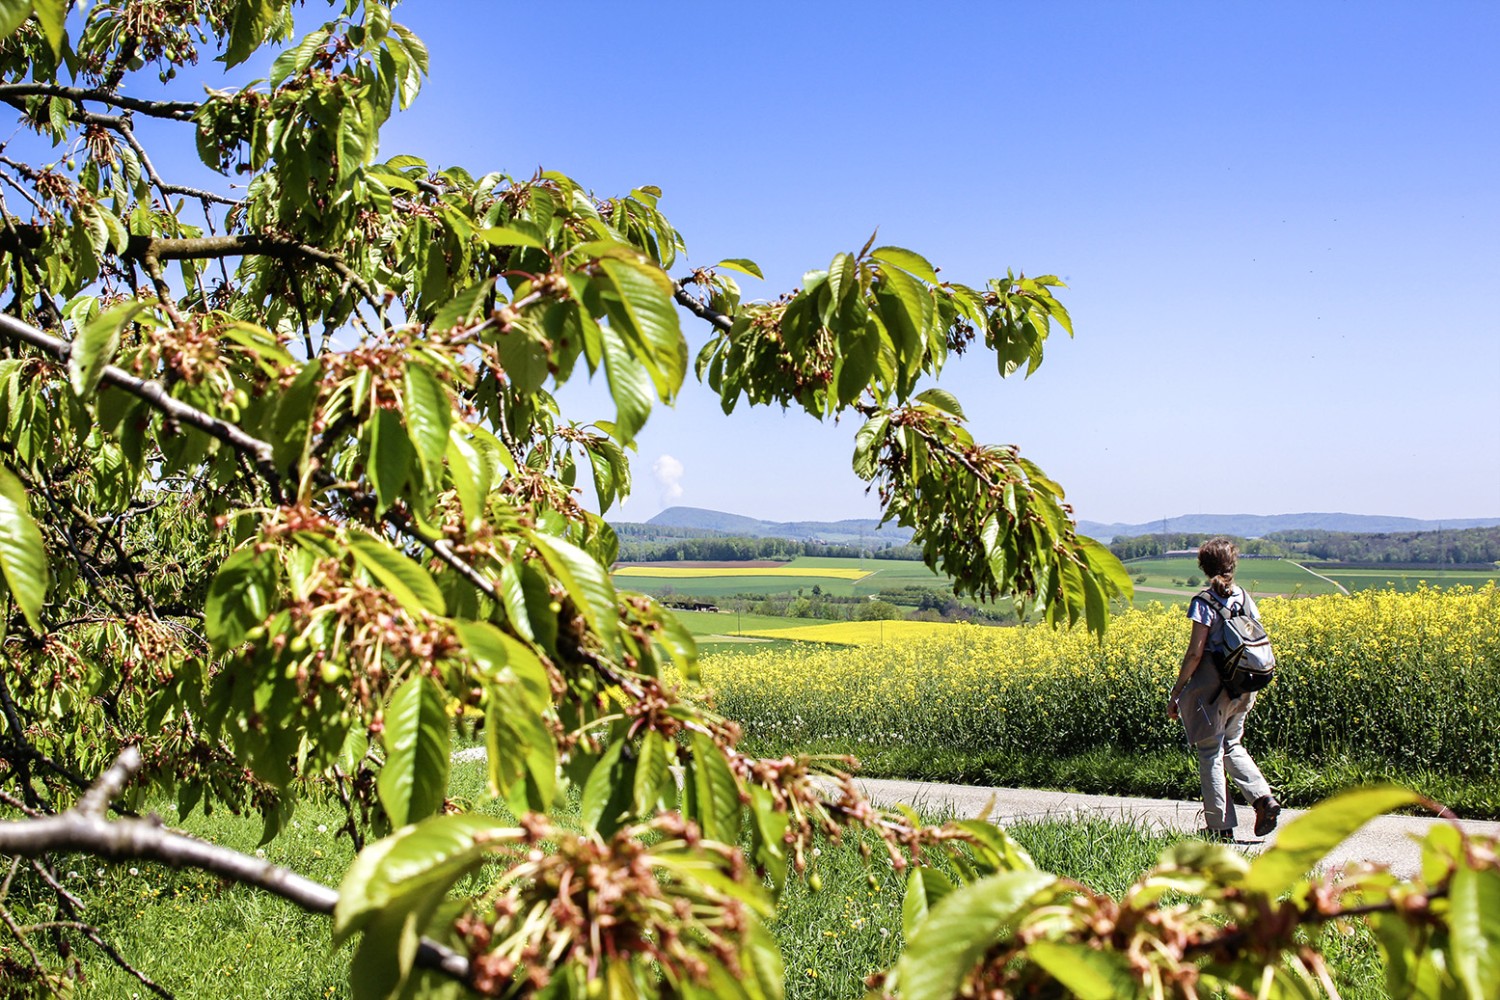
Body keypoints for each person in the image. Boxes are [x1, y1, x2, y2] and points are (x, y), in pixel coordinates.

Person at [1166, 537, 1281, 840]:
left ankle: (1220, 827)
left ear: (1203, 567)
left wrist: (1177, 691)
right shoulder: (1243, 597)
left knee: (1210, 752)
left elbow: (1195, 653)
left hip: (1214, 691)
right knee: (1232, 743)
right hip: (1243, 687)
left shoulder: (1204, 602)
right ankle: (1263, 799)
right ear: (1233, 565)